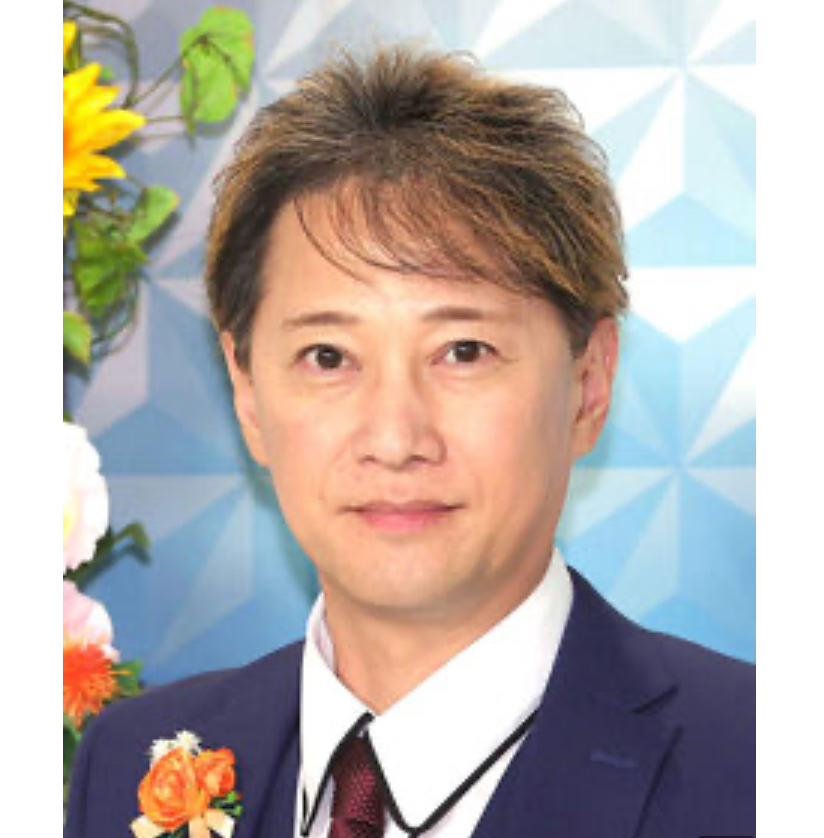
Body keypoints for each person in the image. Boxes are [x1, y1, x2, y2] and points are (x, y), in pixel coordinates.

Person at [64, 44, 754, 838]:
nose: (395, 439)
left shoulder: (762, 766)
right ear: (247, 394)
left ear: (589, 383)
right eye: (328, 357)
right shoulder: (127, 768)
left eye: (464, 351)